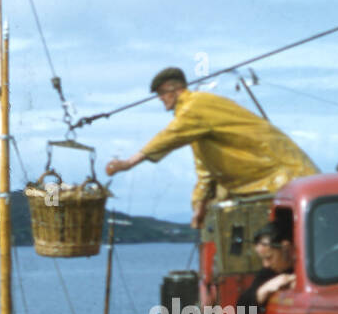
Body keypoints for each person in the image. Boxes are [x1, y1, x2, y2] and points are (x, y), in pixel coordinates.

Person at [105, 68, 318, 227]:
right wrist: (199, 205)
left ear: (174, 90)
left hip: (283, 177)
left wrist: (128, 163)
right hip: (267, 183)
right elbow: (205, 168)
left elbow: (168, 137)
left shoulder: (194, 106)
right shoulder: (194, 123)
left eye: (161, 93)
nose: (160, 99)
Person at [237, 222, 296, 313]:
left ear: (286, 248)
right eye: (263, 259)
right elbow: (241, 311)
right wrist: (264, 290)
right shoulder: (268, 273)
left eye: (269, 257)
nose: (266, 264)